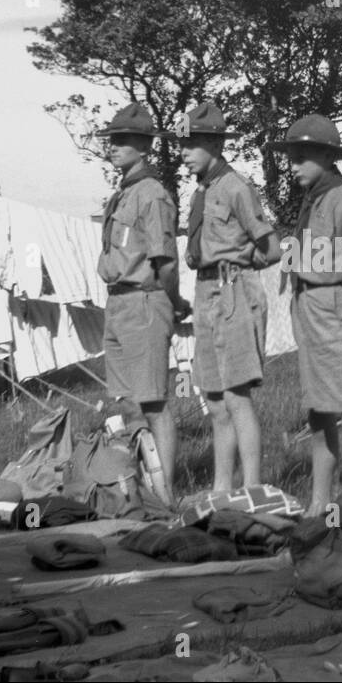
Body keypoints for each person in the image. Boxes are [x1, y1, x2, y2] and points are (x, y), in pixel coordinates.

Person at [264, 114, 342, 515]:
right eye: (290, 156)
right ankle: (319, 506)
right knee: (319, 413)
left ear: (328, 156)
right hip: (310, 309)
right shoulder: (314, 200)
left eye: (301, 156)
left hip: (335, 308)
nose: (293, 164)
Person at [180, 101, 281, 491]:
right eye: (181, 146)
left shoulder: (237, 188)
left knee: (237, 397)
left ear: (213, 144)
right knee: (216, 401)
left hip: (234, 290)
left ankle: (253, 488)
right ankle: (222, 491)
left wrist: (238, 263)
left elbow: (270, 248)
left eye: (191, 145)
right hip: (205, 291)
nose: (184, 154)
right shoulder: (199, 195)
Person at [96, 103, 189, 501]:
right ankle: (141, 489)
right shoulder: (124, 193)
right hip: (118, 302)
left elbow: (164, 261)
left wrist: (174, 302)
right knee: (129, 403)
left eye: (122, 141)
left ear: (144, 146)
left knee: (154, 401)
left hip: (145, 300)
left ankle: (165, 494)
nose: (113, 148)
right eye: (112, 140)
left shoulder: (153, 195)